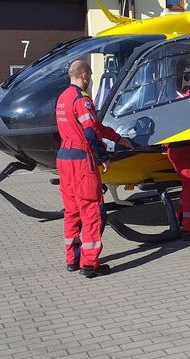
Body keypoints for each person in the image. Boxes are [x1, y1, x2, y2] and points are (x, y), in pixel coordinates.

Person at [55, 60, 133, 278]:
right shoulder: (82, 100)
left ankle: (73, 259)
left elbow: (94, 127)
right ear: (85, 76)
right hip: (81, 159)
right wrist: (103, 157)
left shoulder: (62, 99)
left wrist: (118, 137)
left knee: (72, 212)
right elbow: (90, 132)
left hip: (64, 158)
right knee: (91, 211)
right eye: (90, 76)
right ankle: (90, 264)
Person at [166, 73, 190, 240]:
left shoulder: (189, 101)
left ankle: (180, 217)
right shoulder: (185, 102)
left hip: (186, 149)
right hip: (181, 148)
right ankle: (189, 227)